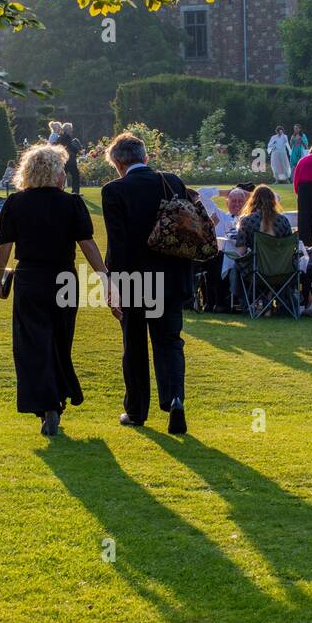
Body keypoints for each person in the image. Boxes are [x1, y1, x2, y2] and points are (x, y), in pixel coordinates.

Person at [0, 143, 111, 437]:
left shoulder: (15, 204)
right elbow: (87, 244)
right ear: (56, 173)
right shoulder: (71, 204)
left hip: (30, 279)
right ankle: (58, 398)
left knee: (33, 344)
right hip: (63, 279)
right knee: (60, 341)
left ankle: (47, 405)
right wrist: (104, 277)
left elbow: (4, 246)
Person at [100, 132, 192, 434]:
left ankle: (137, 410)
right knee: (169, 342)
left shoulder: (114, 191)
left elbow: (118, 244)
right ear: (146, 157)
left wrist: (111, 284)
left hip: (136, 279)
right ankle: (175, 399)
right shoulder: (172, 181)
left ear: (117, 162)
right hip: (172, 275)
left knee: (135, 345)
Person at [229, 184, 301, 310]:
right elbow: (288, 248)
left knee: (236, 265)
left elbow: (241, 251)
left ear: (253, 200)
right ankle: (274, 299)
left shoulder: (247, 221)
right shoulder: (283, 221)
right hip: (283, 270)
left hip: (257, 271)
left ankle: (245, 302)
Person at [57, 122, 82, 195]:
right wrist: (78, 151)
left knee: (62, 177)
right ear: (67, 129)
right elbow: (70, 146)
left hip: (63, 160)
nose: (72, 130)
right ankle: (75, 192)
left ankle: (60, 191)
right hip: (69, 160)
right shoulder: (67, 136)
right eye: (70, 128)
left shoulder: (60, 137)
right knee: (75, 176)